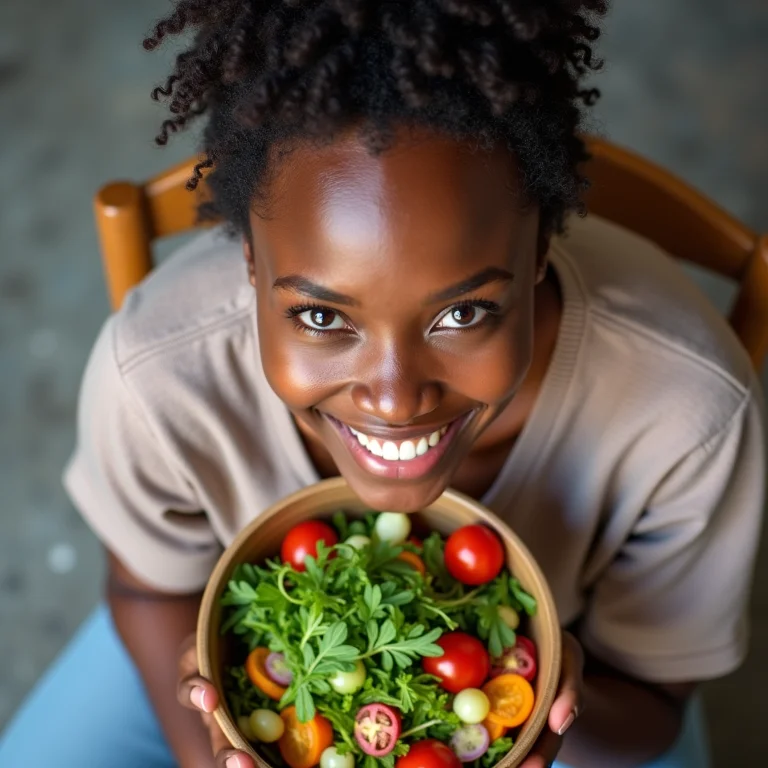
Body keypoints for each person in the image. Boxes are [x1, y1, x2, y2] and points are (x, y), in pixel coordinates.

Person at [0, 1, 764, 767]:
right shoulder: (159, 372)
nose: (396, 401)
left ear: (538, 256)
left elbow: (659, 698)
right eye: (324, 318)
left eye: (464, 312)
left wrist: (559, 702)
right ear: (251, 269)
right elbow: (147, 591)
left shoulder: (687, 410)